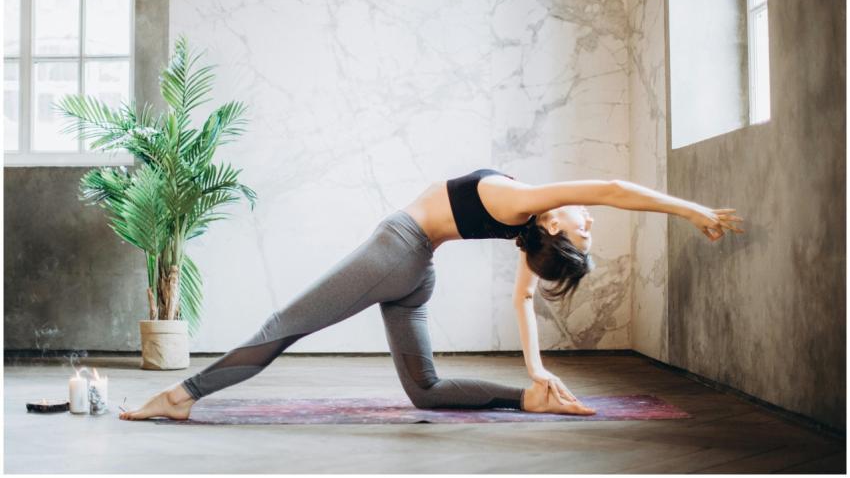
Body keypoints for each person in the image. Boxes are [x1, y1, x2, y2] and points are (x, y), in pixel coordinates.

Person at [119, 168, 744, 420]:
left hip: (398, 252)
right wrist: (535, 373)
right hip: (415, 271)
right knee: (425, 390)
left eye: (584, 229)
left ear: (556, 224)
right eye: (589, 229)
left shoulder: (530, 208)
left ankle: (180, 396)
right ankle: (528, 401)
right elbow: (524, 301)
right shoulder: (526, 222)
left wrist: (690, 210)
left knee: (283, 326)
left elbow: (609, 189)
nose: (590, 220)